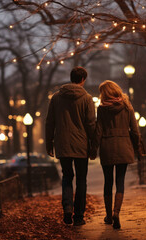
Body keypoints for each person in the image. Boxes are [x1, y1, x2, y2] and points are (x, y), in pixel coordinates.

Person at [45, 66, 96, 226]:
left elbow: (49, 123)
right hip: (81, 145)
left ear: (71, 77)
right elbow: (91, 124)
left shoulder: (56, 98)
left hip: (63, 144)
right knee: (81, 179)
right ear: (83, 80)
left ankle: (67, 208)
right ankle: (79, 216)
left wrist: (49, 144)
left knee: (67, 177)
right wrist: (94, 146)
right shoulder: (87, 99)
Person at [90, 80, 141, 229]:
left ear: (104, 93)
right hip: (124, 145)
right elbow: (135, 129)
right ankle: (116, 212)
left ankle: (108, 216)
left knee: (108, 182)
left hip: (107, 146)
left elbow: (98, 130)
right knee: (120, 181)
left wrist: (94, 148)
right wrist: (137, 145)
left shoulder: (102, 109)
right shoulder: (127, 106)